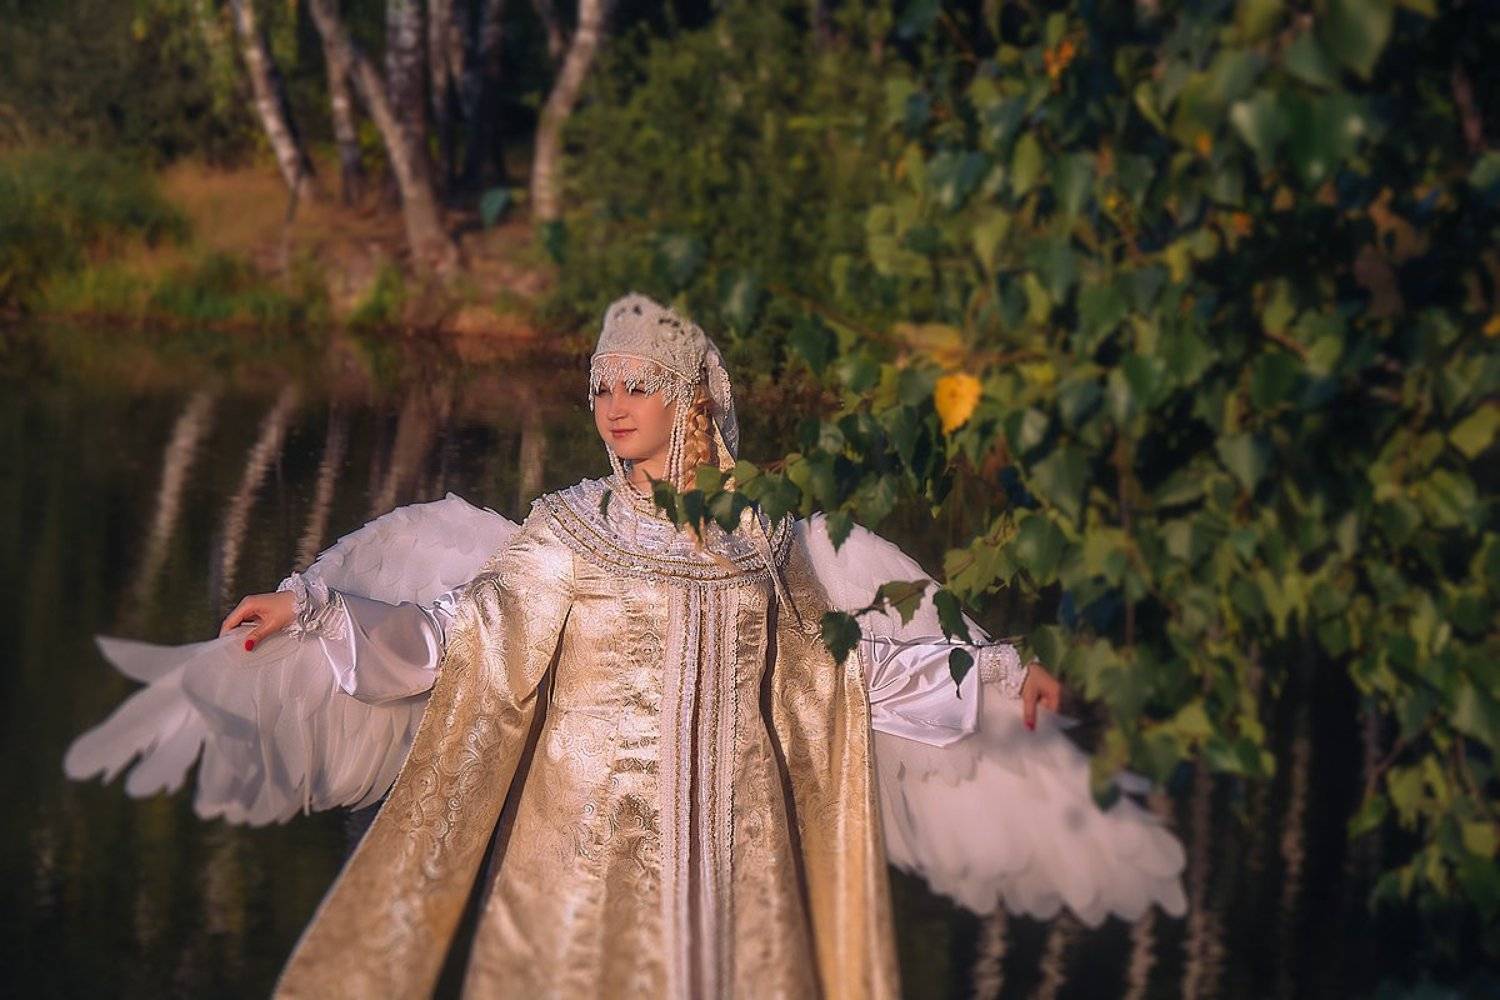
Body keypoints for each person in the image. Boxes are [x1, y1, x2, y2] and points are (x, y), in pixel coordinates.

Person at [67, 293, 1187, 999]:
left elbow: (845, 671)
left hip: (740, 863)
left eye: (635, 384)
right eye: (600, 384)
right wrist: (316, 611)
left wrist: (995, 670)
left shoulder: (768, 540)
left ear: (688, 396)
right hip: (586, 860)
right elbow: (456, 639)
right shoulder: (565, 533)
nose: (611, 403)